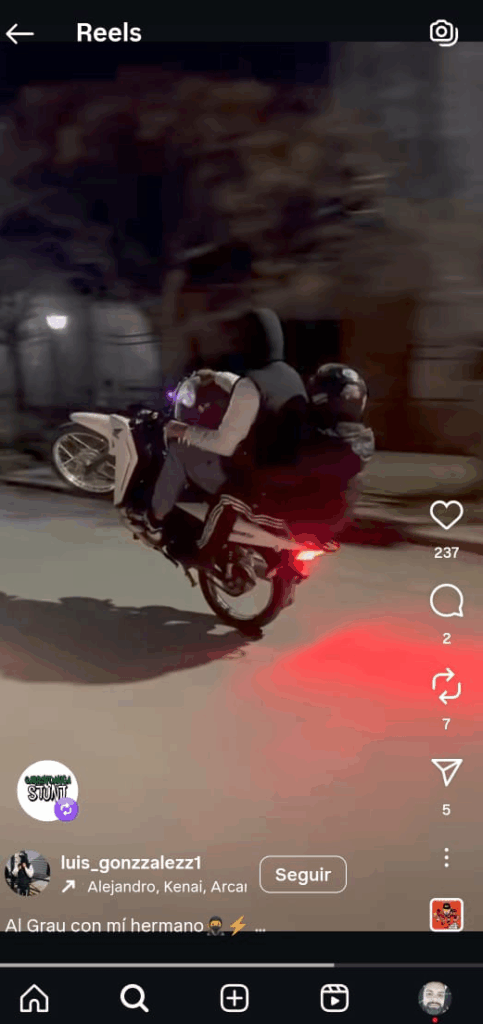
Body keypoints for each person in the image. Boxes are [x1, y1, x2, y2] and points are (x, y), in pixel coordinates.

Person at [138, 308, 308, 553]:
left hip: (248, 479)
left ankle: (155, 522)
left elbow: (224, 444)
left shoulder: (251, 385)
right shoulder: (289, 375)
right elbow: (250, 394)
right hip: (282, 472)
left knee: (179, 450)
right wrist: (218, 377)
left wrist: (182, 430)